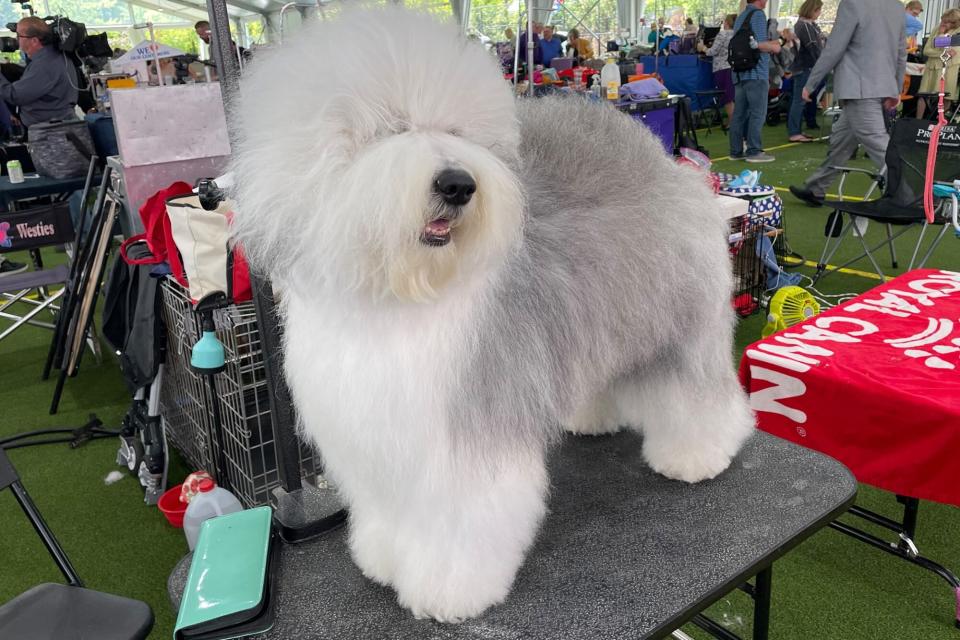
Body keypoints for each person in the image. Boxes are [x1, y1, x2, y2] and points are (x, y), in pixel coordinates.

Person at [789, 0, 906, 207]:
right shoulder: (896, 6)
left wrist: (811, 82)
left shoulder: (852, 4)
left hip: (859, 88)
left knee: (879, 145)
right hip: (879, 86)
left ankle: (910, 197)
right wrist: (895, 88)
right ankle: (816, 189)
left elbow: (834, 47)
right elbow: (901, 51)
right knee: (841, 143)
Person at [0, 17, 78, 129]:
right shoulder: (53, 58)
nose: (16, 40)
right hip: (55, 128)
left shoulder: (45, 65)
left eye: (19, 36)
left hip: (52, 133)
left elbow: (15, 95)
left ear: (34, 41)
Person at [728, 0, 781, 163]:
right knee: (758, 113)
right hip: (756, 72)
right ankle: (754, 151)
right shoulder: (758, 15)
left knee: (739, 114)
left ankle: (736, 151)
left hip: (739, 73)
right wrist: (776, 45)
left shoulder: (741, 16)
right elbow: (759, 45)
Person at [787, 0, 826, 142]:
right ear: (812, 10)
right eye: (818, 10)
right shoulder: (804, 26)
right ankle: (794, 132)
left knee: (801, 100)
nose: (819, 13)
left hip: (806, 67)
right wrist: (823, 64)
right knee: (799, 100)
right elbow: (813, 48)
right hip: (805, 68)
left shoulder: (809, 25)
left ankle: (796, 130)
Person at [916, 9, 960, 120]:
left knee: (946, 97)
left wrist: (939, 40)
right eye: (943, 20)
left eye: (947, 21)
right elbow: (926, 50)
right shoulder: (937, 28)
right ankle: (917, 122)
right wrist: (941, 36)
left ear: (955, 22)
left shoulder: (958, 31)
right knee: (923, 96)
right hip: (931, 67)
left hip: (949, 68)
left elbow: (949, 51)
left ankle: (940, 122)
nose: (943, 23)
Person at [700, 14, 737, 125]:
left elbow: (713, 51)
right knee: (730, 97)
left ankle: (732, 123)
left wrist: (703, 47)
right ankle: (733, 121)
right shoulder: (737, 34)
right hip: (733, 67)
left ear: (726, 22)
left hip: (722, 69)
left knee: (727, 98)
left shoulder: (723, 34)